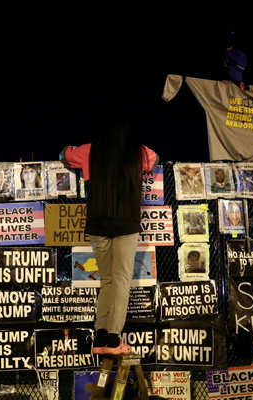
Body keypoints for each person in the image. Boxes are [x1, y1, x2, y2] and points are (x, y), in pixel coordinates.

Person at [61, 115, 157, 355]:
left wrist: (68, 151)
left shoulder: (89, 151)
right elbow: (155, 159)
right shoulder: (139, 152)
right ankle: (114, 339)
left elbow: (64, 154)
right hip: (126, 224)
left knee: (106, 281)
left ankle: (100, 337)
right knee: (121, 281)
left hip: (98, 223)